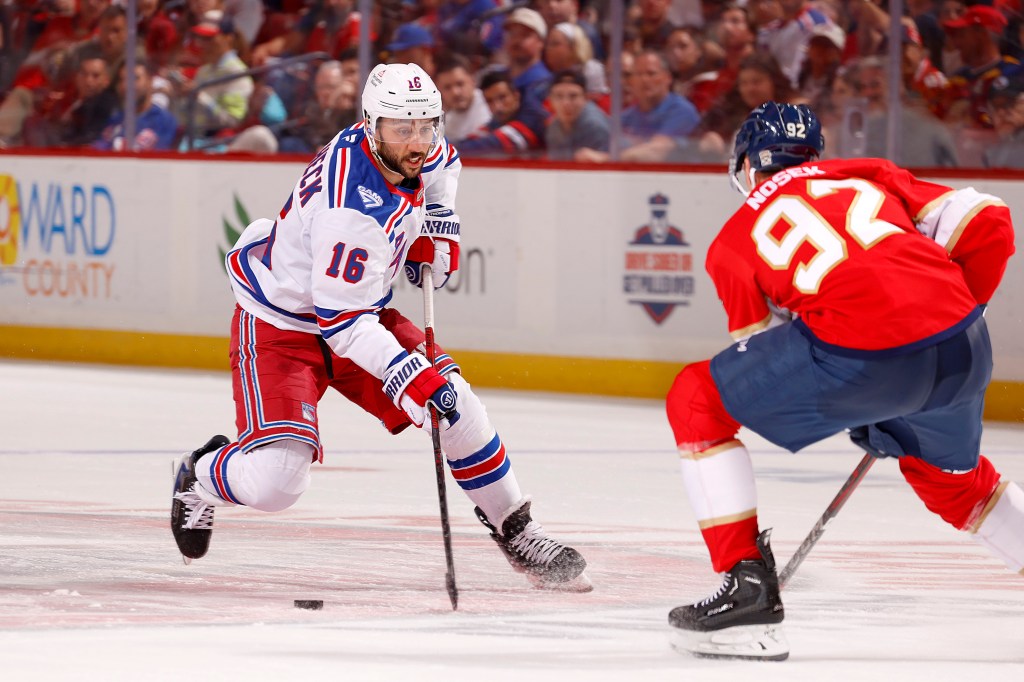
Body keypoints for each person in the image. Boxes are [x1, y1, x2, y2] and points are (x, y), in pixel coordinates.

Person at [170, 62, 591, 593]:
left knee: (455, 402)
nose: (418, 142)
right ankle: (202, 473)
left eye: (426, 125)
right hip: (284, 326)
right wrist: (408, 375)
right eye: (403, 129)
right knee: (277, 483)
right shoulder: (349, 209)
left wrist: (439, 224)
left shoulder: (409, 142)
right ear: (371, 126)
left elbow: (445, 165)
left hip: (357, 310)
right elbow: (340, 323)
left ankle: (516, 529)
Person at [664, 101, 1020, 661]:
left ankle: (747, 587)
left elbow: (763, 357)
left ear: (750, 167)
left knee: (695, 400)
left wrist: (869, 396)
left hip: (864, 356)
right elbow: (990, 219)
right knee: (953, 483)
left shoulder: (732, 241)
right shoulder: (867, 173)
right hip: (963, 344)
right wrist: (950, 315)